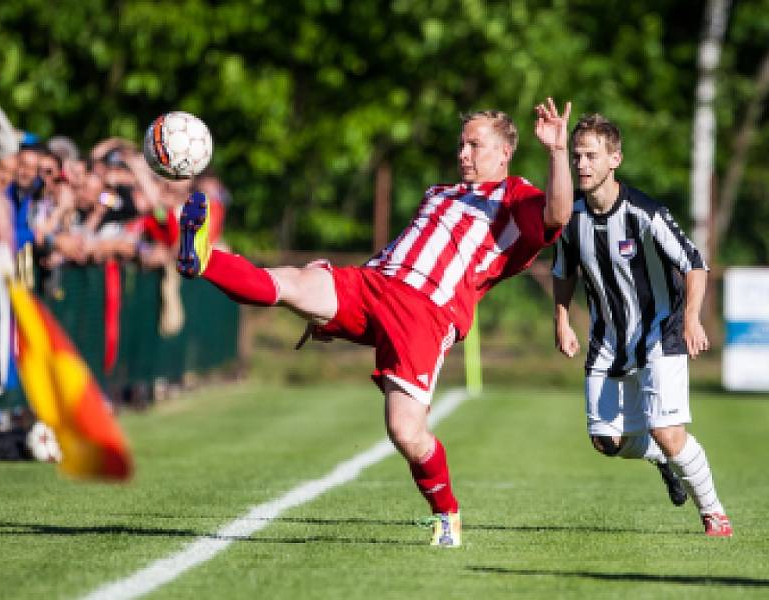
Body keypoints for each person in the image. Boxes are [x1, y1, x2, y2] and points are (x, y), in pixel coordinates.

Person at [177, 98, 573, 547]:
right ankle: (204, 259)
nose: (463, 153)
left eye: (474, 145)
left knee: (405, 432)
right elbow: (402, 250)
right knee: (292, 283)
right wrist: (332, 312)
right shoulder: (438, 193)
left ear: (504, 152)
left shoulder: (515, 197)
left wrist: (557, 151)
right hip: (373, 283)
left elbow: (557, 215)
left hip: (426, 311)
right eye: (461, 144)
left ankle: (446, 514)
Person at [552, 113, 732, 537]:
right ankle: (658, 456)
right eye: (577, 156)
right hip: (607, 340)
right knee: (605, 442)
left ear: (615, 158)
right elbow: (563, 272)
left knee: (669, 432)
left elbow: (695, 265)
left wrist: (690, 318)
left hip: (660, 333)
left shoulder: (645, 212)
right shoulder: (571, 219)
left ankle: (714, 514)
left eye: (591, 156)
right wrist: (561, 320)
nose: (581, 165)